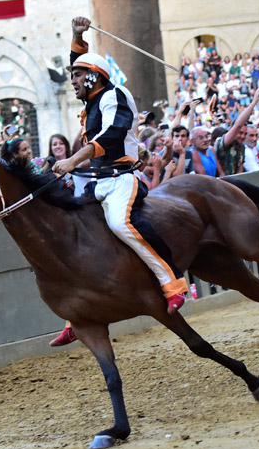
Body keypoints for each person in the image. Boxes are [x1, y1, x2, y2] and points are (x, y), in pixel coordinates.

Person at [53, 16, 188, 320]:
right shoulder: (92, 97)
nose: (72, 81)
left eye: (77, 76)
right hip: (98, 182)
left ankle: (173, 283)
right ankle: (80, 312)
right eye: (72, 75)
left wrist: (74, 160)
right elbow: (82, 61)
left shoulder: (115, 96)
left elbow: (112, 134)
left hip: (122, 180)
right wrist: (76, 34)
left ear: (94, 77)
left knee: (120, 224)